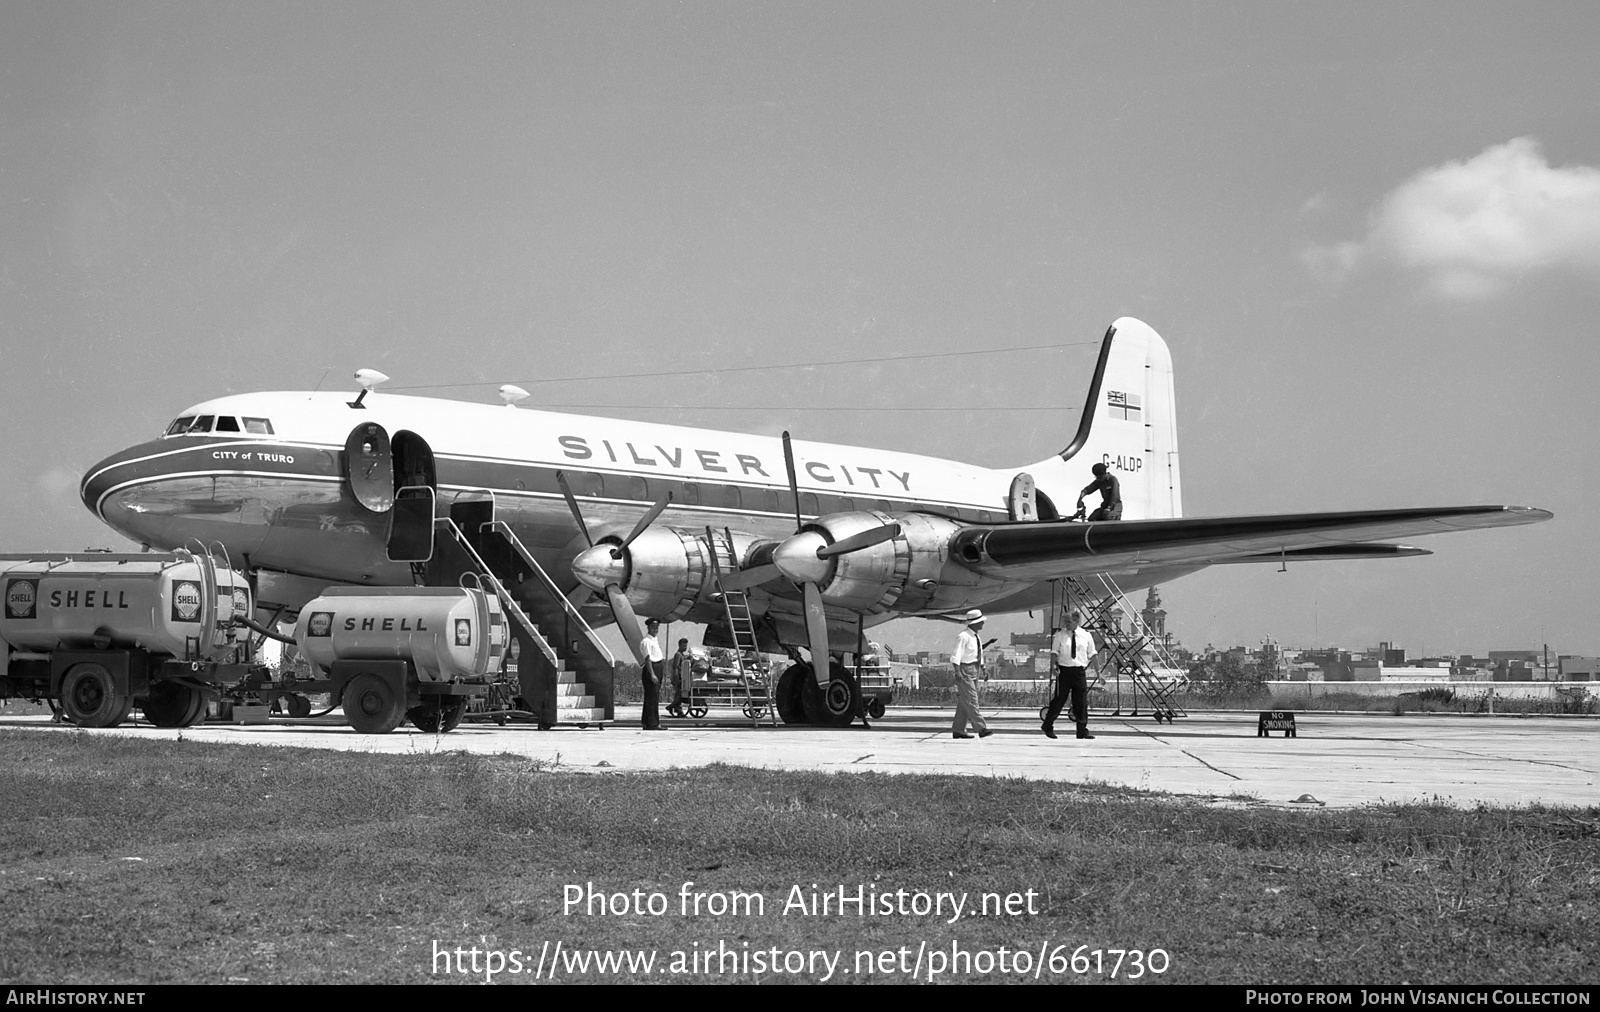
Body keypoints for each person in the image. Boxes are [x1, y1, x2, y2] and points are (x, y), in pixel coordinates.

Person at [1044, 609, 1097, 739]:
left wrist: (1098, 672)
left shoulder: (1086, 635)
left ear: (1076, 621)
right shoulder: (1060, 635)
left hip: (1079, 671)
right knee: (1059, 699)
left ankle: (1082, 730)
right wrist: (1053, 666)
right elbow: (1054, 652)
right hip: (1064, 671)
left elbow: (1093, 654)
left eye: (1068, 621)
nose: (1066, 624)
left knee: (1081, 702)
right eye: (1065, 621)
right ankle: (1047, 724)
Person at [950, 609, 994, 740]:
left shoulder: (975, 636)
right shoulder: (963, 636)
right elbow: (956, 656)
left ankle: (958, 729)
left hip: (975, 669)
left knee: (965, 701)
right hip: (965, 669)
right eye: (981, 622)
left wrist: (983, 668)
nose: (983, 624)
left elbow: (978, 655)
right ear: (974, 623)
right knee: (971, 700)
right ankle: (981, 728)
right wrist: (957, 671)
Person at [639, 619, 665, 730]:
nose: (655, 630)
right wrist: (653, 674)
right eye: (653, 627)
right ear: (648, 628)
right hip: (652, 669)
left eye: (657, 627)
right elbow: (648, 659)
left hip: (657, 667)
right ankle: (653, 723)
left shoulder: (654, 640)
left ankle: (647, 722)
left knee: (653, 697)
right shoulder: (646, 641)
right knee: (652, 698)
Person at [667, 638, 692, 717]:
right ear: (679, 645)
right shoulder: (678, 654)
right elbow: (676, 667)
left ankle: (677, 710)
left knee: (679, 695)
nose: (685, 647)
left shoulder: (682, 655)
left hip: (681, 677)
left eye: (686, 646)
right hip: (678, 677)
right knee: (679, 695)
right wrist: (676, 678)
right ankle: (672, 707)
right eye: (684, 645)